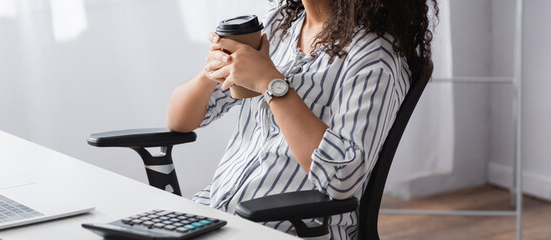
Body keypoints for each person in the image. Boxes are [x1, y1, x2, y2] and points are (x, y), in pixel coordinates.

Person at [166, 0, 437, 239]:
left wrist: (271, 83)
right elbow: (180, 122)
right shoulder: (278, 27)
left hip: (288, 228)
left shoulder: (374, 58)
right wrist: (209, 72)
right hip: (214, 212)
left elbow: (342, 177)